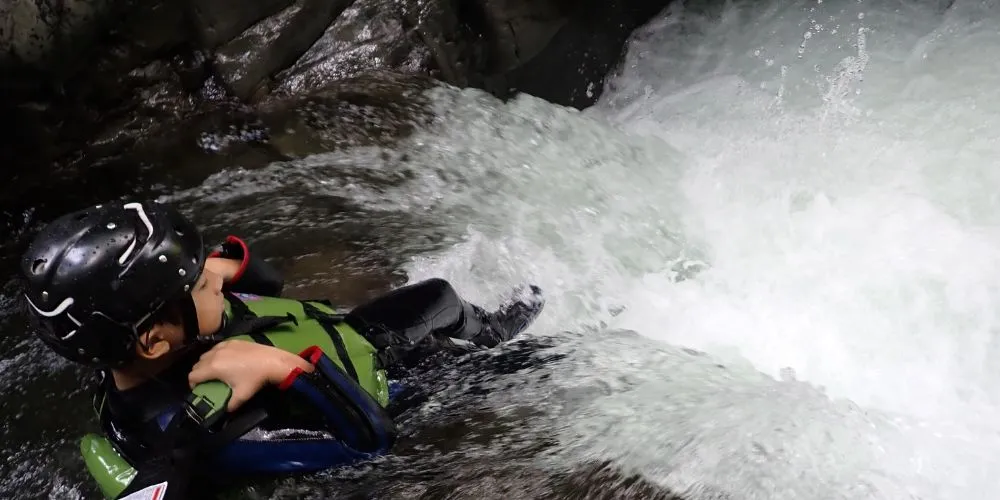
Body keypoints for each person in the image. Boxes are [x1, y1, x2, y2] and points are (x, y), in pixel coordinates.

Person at [18, 199, 545, 500]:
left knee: (441, 296)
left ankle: (499, 324)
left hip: (349, 345)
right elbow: (370, 444)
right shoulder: (213, 432)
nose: (216, 284)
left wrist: (221, 268)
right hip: (381, 392)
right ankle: (522, 340)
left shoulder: (138, 353)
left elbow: (269, 284)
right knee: (520, 358)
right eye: (199, 286)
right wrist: (278, 367)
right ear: (154, 339)